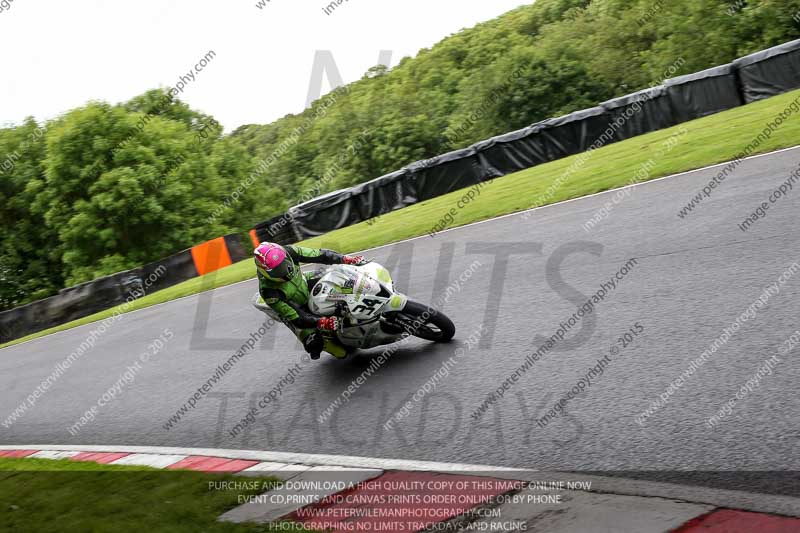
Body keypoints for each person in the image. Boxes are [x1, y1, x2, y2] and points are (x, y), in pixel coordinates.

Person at [254, 242, 366, 360]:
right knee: (319, 346)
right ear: (265, 272)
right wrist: (322, 322)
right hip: (297, 307)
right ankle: (325, 342)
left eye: (285, 263)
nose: (285, 270)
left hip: (304, 282)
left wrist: (344, 259)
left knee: (340, 276)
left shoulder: (290, 251)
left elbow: (319, 254)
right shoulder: (268, 291)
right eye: (278, 270)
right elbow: (297, 317)